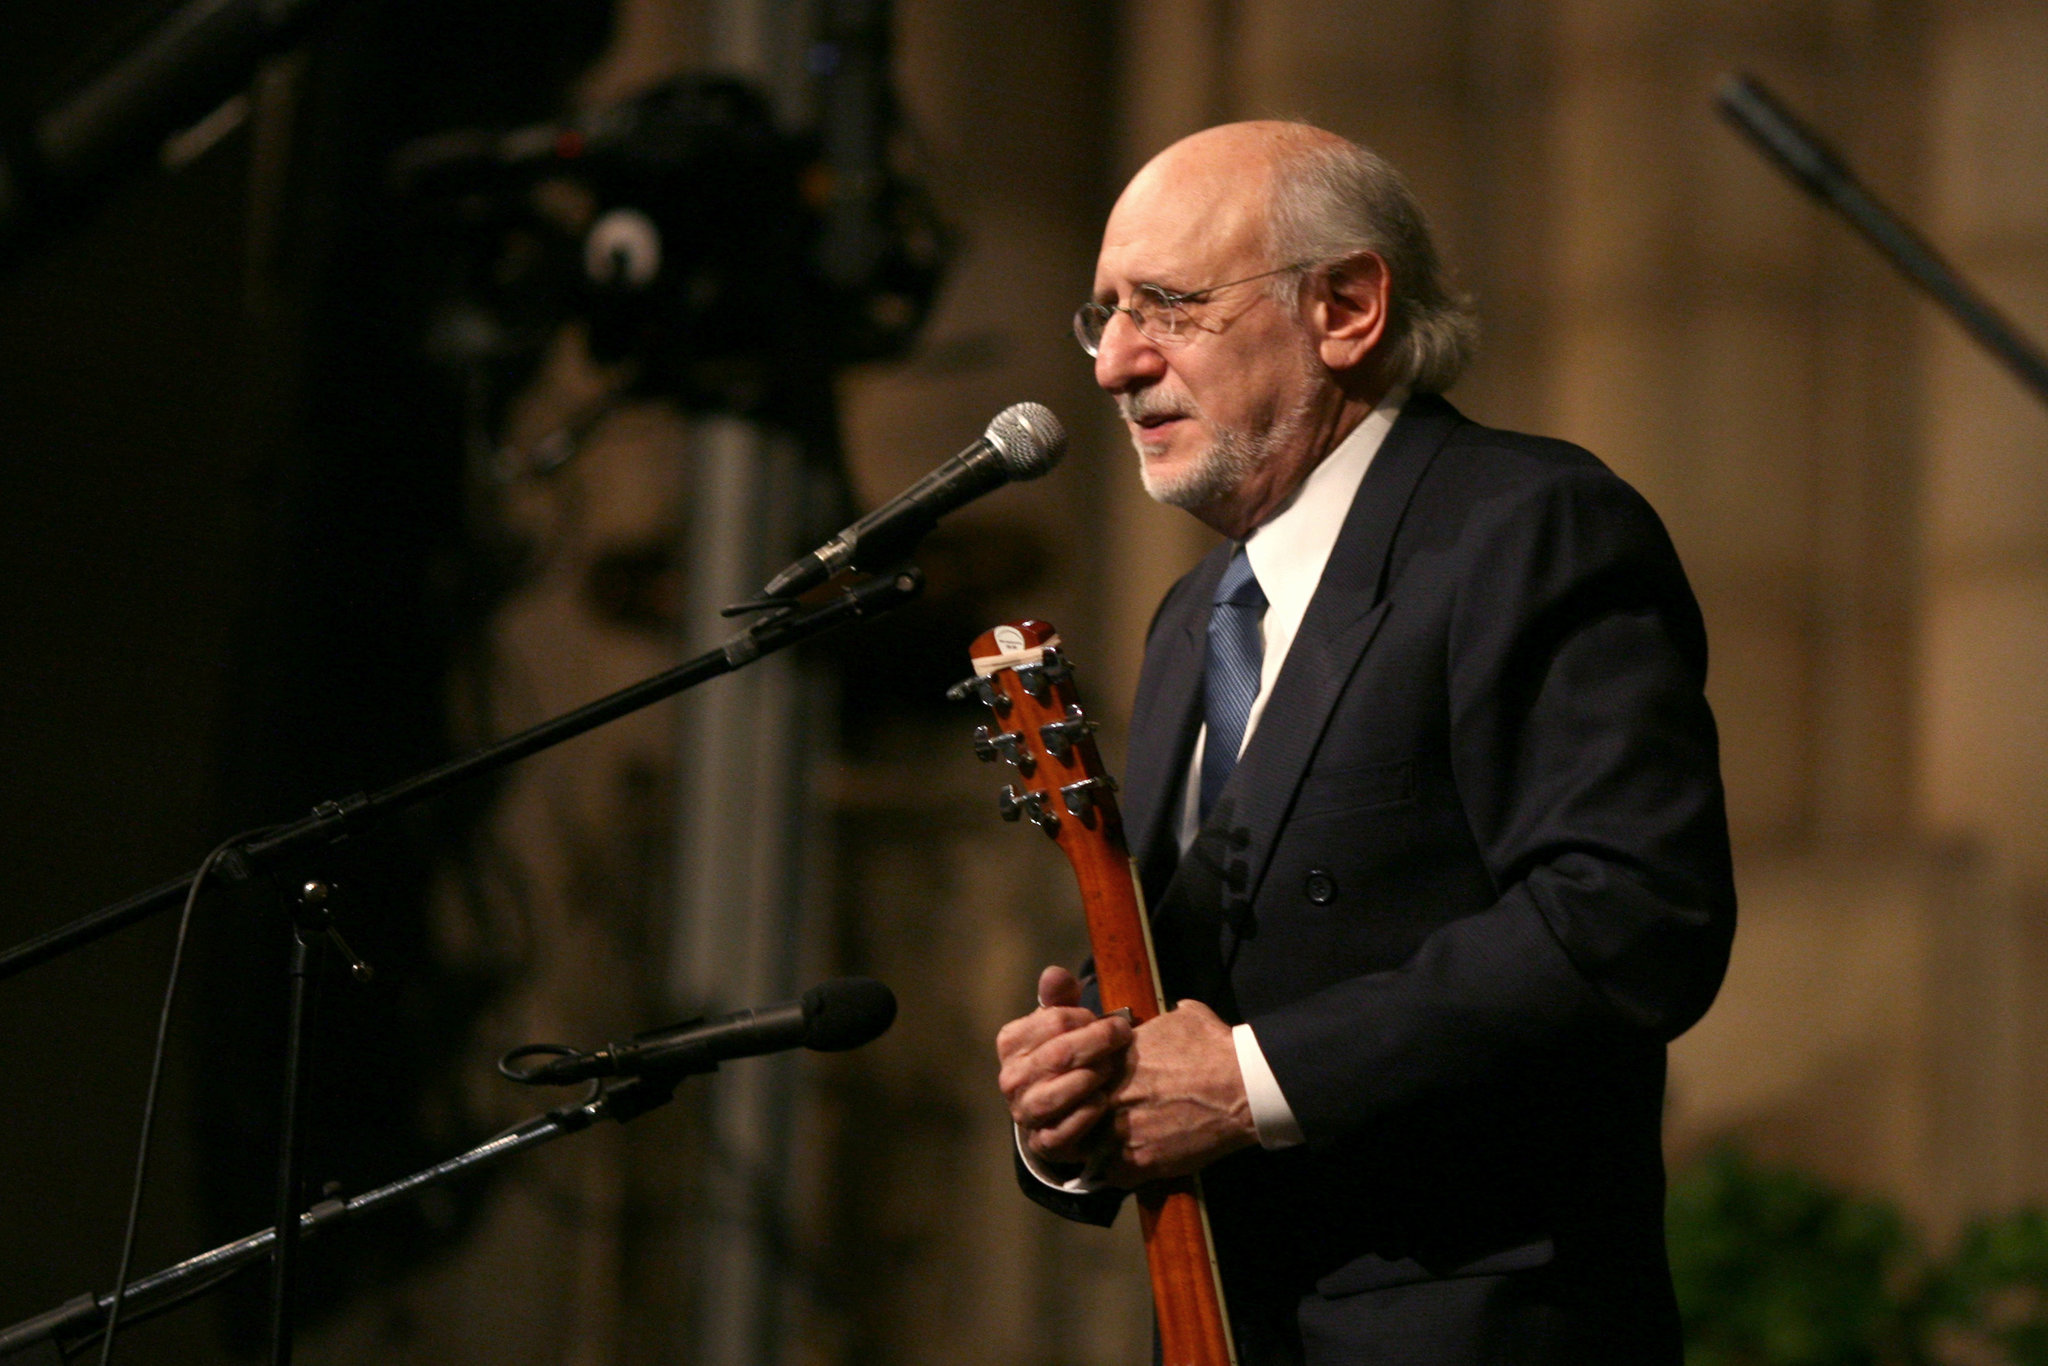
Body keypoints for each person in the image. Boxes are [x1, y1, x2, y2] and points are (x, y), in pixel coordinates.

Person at [993, 121, 1736, 1364]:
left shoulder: (1526, 526)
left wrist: (1250, 1079)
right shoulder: (1194, 619)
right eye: (1104, 313)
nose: (1116, 362)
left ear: (1343, 307)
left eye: (1166, 306)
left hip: (1478, 1322)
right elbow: (1212, 973)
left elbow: (1630, 917)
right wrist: (1078, 1096)